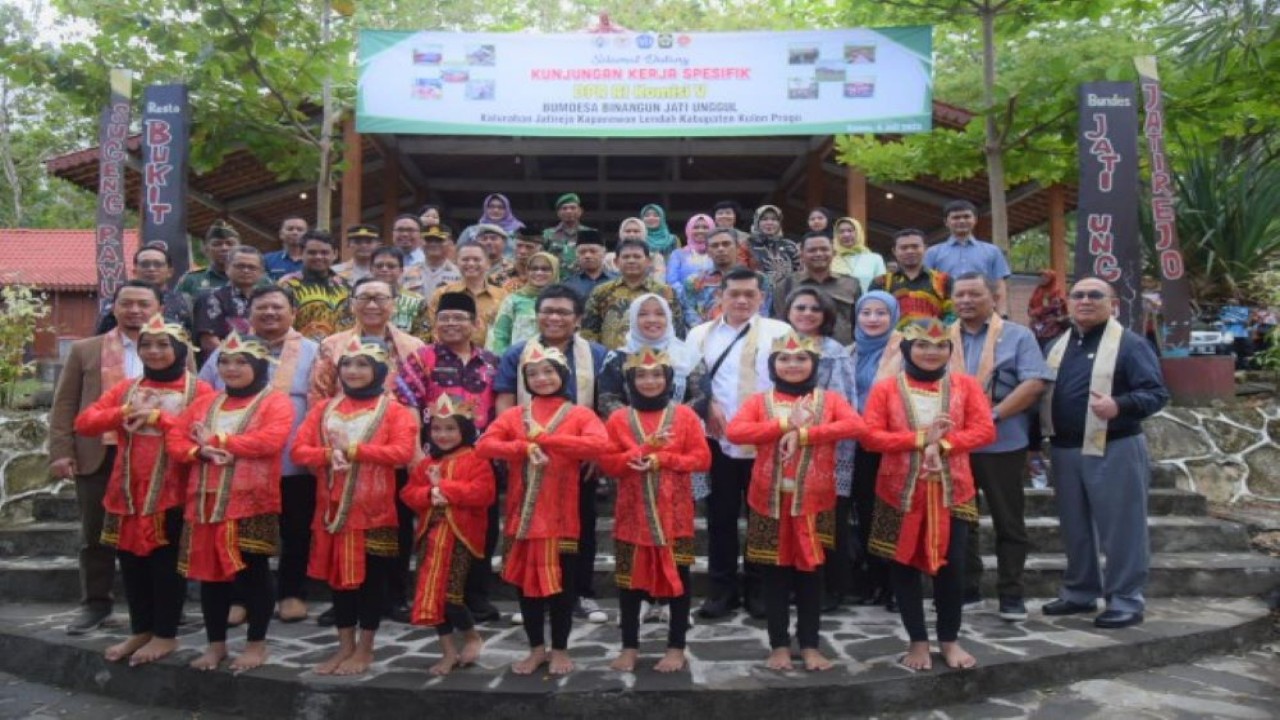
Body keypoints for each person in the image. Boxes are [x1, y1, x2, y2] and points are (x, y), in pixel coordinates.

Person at [73, 314, 214, 664]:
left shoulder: (200, 390)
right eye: (146, 345)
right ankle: (141, 630)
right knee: (132, 563)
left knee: (166, 566)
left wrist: (158, 418)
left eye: (163, 344)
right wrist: (123, 412)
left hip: (173, 492)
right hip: (127, 491)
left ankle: (165, 634)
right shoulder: (128, 389)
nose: (153, 351)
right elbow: (85, 422)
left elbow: (194, 433)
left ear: (180, 349)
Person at [725, 331, 866, 671]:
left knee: (811, 574)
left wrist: (804, 434)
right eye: (784, 359)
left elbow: (856, 425)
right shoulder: (760, 401)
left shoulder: (829, 400)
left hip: (814, 503)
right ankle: (778, 645)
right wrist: (785, 423)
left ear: (814, 363)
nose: (792, 364)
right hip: (768, 502)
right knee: (774, 574)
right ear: (773, 364)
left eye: (801, 358)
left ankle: (811, 644)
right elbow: (736, 432)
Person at [861, 318, 996, 671]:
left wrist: (945, 444)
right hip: (899, 490)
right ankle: (918, 642)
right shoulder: (886, 390)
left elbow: (985, 430)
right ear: (907, 349)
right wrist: (923, 440)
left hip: (953, 491)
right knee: (903, 568)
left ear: (949, 351)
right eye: (922, 345)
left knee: (952, 568)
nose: (931, 352)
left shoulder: (966, 386)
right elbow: (871, 436)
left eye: (940, 346)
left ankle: (949, 640)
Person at [1041, 277, 1169, 629]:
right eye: (1077, 295)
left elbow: (1156, 393)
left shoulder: (1129, 344)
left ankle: (1126, 599)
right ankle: (1080, 592)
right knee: (1075, 527)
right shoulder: (1056, 345)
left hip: (1114, 445)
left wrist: (1120, 404)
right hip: (1065, 449)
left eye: (1094, 295)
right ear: (1068, 303)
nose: (1085, 300)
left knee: (1121, 527)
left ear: (1112, 303)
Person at [477, 340, 608, 675]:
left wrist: (548, 440)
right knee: (526, 586)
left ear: (562, 375)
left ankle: (561, 649)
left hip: (563, 516)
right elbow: (486, 445)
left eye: (548, 371)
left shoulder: (580, 413)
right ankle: (536, 648)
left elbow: (599, 443)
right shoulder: (515, 415)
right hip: (524, 516)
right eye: (533, 373)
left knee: (563, 585)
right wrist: (523, 447)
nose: (541, 378)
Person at [167, 331, 295, 672]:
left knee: (253, 573)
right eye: (224, 361)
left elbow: (270, 441)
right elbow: (176, 440)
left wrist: (220, 439)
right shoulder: (205, 402)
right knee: (211, 578)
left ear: (258, 365)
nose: (231, 368)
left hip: (251, 502)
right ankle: (216, 644)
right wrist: (200, 451)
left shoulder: (274, 401)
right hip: (206, 502)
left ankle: (256, 644)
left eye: (241, 362)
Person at [292, 337, 418, 675]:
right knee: (339, 583)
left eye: (362, 364)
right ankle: (344, 646)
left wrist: (353, 451)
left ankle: (366, 648)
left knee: (372, 582)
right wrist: (326, 455)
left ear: (378, 370)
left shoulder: (394, 410)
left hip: (374, 511)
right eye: (347, 364)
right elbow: (299, 451)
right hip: (332, 511)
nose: (353, 371)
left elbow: (402, 453)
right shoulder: (324, 408)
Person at [199, 286, 319, 624]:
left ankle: (292, 592)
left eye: (277, 308)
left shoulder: (313, 351)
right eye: (261, 308)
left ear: (293, 313)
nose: (269, 314)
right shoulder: (229, 349)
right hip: (236, 460)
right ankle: (242, 596)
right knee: (239, 530)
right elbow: (205, 393)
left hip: (292, 459)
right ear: (248, 314)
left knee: (295, 529)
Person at [310, 277, 426, 622]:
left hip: (394, 446)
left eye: (380, 297)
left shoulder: (413, 345)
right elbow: (319, 392)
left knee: (397, 524)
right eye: (364, 298)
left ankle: (394, 594)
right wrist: (325, 445)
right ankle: (345, 595)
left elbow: (418, 398)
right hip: (341, 448)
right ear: (352, 303)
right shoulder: (333, 344)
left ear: (394, 302)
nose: (372, 304)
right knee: (341, 521)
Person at [50, 281, 162, 635]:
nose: (135, 311)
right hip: (99, 452)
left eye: (143, 304)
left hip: (155, 455)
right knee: (95, 533)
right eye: (127, 303)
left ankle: (159, 605)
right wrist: (61, 451)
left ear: (157, 308)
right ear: (114, 308)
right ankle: (96, 603)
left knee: (156, 531)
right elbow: (65, 403)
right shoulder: (86, 349)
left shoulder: (171, 348)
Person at [493, 286, 609, 624]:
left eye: (563, 312)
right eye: (547, 311)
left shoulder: (597, 354)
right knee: (530, 526)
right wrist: (510, 444)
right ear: (537, 315)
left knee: (582, 526)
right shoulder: (518, 353)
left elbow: (605, 403)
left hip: (577, 460)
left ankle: (580, 594)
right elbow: (505, 399)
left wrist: (596, 451)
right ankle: (535, 593)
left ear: (578, 319)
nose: (554, 318)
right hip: (530, 458)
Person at [685, 268, 793, 619]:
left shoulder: (780, 332)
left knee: (763, 516)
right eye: (734, 294)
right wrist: (706, 403)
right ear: (721, 296)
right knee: (721, 516)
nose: (742, 300)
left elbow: (793, 377)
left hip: (765, 439)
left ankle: (760, 588)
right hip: (716, 439)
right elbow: (688, 380)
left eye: (750, 294)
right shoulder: (700, 334)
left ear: (761, 297)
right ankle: (722, 589)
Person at [599, 347, 710, 673]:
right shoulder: (619, 419)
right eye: (641, 375)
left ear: (668, 379)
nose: (649, 381)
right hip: (632, 516)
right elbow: (608, 463)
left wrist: (665, 459)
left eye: (656, 375)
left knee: (680, 581)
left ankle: (676, 647)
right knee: (629, 584)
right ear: (630, 380)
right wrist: (639, 454)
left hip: (674, 516)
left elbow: (702, 459)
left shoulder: (685, 416)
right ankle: (630, 647)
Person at [396, 292, 504, 624]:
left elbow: (501, 404)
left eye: (459, 318)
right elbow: (408, 402)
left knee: (482, 529)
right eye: (445, 318)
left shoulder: (491, 361)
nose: (451, 324)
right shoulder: (421, 357)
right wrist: (414, 449)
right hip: (431, 458)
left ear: (475, 323)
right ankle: (423, 596)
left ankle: (475, 597)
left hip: (479, 459)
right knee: (425, 529)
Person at [949, 273, 1051, 621]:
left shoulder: (1017, 335)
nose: (966, 300)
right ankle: (967, 588)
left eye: (974, 294)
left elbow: (1035, 382)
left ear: (993, 298)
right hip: (956, 444)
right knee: (961, 521)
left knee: (1009, 521)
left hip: (1002, 440)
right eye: (959, 294)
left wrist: (989, 416)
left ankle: (1011, 593)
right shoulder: (943, 337)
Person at [401, 395, 496, 675]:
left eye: (450, 428)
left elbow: (484, 494)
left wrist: (445, 487)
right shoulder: (426, 463)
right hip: (430, 539)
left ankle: (471, 636)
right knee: (431, 597)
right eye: (437, 429)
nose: (443, 435)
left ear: (465, 430)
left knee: (451, 595)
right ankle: (448, 651)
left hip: (459, 538)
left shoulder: (477, 460)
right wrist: (429, 493)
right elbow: (408, 494)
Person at [782, 289, 858, 611]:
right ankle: (791, 584)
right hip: (782, 445)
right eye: (800, 307)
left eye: (816, 309)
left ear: (826, 315)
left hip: (826, 447)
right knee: (788, 517)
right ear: (788, 311)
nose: (808, 314)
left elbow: (839, 404)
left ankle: (829, 587)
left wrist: (807, 432)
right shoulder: (779, 343)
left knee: (826, 520)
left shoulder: (834, 351)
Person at [848, 291, 904, 609]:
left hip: (893, 444)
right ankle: (875, 580)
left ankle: (898, 583)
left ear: (893, 316)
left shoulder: (906, 350)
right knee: (867, 513)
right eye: (865, 312)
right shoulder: (850, 351)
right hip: (857, 445)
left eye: (880, 312)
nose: (872, 319)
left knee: (893, 513)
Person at [599, 293, 705, 417]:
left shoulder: (688, 354)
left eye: (660, 314)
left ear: (669, 318)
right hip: (631, 430)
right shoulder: (618, 358)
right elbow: (607, 400)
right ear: (633, 319)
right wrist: (640, 423)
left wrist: (671, 422)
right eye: (643, 314)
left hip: (678, 429)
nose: (652, 319)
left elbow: (702, 397)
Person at [582, 239, 684, 350]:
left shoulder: (665, 292)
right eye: (626, 257)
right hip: (609, 360)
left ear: (648, 261)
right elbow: (589, 332)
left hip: (654, 362)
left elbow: (677, 331)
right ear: (616, 262)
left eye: (637, 256)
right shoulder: (601, 291)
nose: (631, 261)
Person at [924, 200, 1012, 315]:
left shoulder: (992, 251)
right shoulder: (932, 253)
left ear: (975, 220)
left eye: (966, 216)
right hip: (946, 314)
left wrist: (1002, 314)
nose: (961, 221)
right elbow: (925, 286)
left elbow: (999, 286)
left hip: (983, 312)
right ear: (946, 222)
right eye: (956, 217)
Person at [773, 232, 861, 345]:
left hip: (844, 353)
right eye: (812, 250)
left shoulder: (851, 284)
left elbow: (859, 323)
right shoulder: (786, 285)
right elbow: (779, 324)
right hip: (799, 354)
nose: (819, 254)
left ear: (833, 253)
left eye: (824, 249)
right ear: (802, 254)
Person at [192, 246, 268, 359]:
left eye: (252, 267)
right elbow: (208, 342)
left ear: (261, 272)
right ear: (227, 268)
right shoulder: (211, 298)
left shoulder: (266, 300)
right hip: (224, 365)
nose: (246, 270)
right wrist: (240, 361)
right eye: (240, 266)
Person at [96, 246, 192, 334]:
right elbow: (101, 337)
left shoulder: (185, 301)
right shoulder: (117, 301)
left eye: (158, 264)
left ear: (170, 272)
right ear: (135, 271)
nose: (151, 269)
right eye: (145, 264)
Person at [426, 243, 508, 347]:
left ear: (488, 264)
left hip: (491, 357)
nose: (470, 263)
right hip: (449, 356)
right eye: (465, 259)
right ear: (456, 263)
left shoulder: (502, 295)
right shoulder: (443, 293)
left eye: (476, 259)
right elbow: (434, 329)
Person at [277, 230, 352, 342]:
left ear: (335, 254)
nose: (318, 257)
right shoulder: (288, 285)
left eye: (324, 252)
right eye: (312, 252)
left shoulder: (345, 286)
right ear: (302, 254)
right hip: (301, 353)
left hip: (340, 352)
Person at [871, 229, 953, 329]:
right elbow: (872, 315)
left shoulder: (944, 280)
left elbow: (952, 315)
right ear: (894, 251)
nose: (910, 251)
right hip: (891, 342)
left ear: (925, 248)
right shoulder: (881, 282)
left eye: (915, 246)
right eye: (903, 248)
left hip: (933, 341)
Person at [487, 251, 560, 354]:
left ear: (555, 271)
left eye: (545, 269)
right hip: (518, 362)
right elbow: (500, 335)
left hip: (555, 363)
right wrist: (505, 362)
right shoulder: (513, 300)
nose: (539, 273)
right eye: (534, 269)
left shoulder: (562, 300)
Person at [674, 228, 744, 328]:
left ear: (738, 247)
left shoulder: (757, 280)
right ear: (708, 251)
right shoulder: (694, 281)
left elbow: (761, 314)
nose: (720, 249)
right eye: (715, 246)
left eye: (726, 244)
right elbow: (689, 313)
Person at [370, 247, 432, 341]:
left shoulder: (418, 302)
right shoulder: (356, 300)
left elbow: (423, 339)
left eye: (391, 266)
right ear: (371, 269)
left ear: (401, 271)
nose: (384, 269)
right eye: (379, 266)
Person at [176, 221, 240, 306]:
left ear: (240, 249)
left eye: (230, 244)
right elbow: (174, 314)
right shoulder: (191, 280)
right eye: (217, 244)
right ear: (206, 250)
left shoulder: (258, 279)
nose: (224, 248)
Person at [744, 205, 800, 301]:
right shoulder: (747, 245)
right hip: (758, 297)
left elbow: (798, 273)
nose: (769, 223)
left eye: (774, 219)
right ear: (757, 222)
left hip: (786, 297)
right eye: (764, 219)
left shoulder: (790, 246)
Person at [830, 216, 886, 294]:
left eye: (850, 231)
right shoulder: (830, 260)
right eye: (841, 232)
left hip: (868, 304)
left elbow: (882, 286)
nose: (846, 235)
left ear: (859, 232)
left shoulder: (875, 258)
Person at [543, 193, 595, 272]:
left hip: (582, 278)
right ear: (558, 213)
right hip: (556, 280)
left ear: (580, 211)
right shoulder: (547, 234)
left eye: (573, 208)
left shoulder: (591, 233)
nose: (569, 211)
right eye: (564, 208)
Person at [562, 229, 618, 304]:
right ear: (576, 255)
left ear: (604, 253)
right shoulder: (568, 284)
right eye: (582, 252)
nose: (587, 255)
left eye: (593, 251)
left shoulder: (618, 280)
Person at [409, 226, 461, 299]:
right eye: (428, 240)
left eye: (439, 240)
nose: (433, 244)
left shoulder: (460, 273)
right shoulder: (409, 272)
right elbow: (405, 308)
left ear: (449, 243)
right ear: (421, 242)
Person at [666, 214, 714, 289]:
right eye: (696, 227)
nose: (700, 231)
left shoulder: (718, 253)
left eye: (705, 227)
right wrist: (687, 294)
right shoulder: (678, 255)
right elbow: (672, 281)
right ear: (689, 229)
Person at [458, 193, 525, 246]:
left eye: (501, 207)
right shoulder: (471, 231)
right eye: (491, 206)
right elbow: (458, 252)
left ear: (507, 209)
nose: (496, 210)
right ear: (485, 209)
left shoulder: (518, 229)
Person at [1027, 269, 1069, 345]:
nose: (1042, 279)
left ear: (1051, 279)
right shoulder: (1038, 290)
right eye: (1040, 277)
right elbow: (1031, 304)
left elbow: (1056, 307)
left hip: (1051, 326)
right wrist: (1031, 312)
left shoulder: (1055, 292)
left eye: (1045, 277)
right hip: (1036, 324)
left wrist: (1038, 311)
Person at [263, 215, 309, 281]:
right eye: (290, 229)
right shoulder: (267, 260)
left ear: (307, 235)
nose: (295, 232)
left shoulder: (315, 260)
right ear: (281, 234)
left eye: (300, 230)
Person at [639, 203, 677, 279]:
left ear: (662, 218)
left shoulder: (673, 240)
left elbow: (676, 264)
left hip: (667, 280)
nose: (651, 218)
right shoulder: (638, 239)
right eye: (647, 215)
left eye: (656, 215)